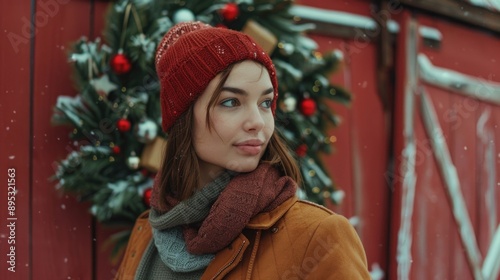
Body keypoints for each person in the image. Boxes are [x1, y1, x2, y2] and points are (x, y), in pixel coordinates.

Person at [115, 21, 370, 280]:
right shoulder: (147, 230)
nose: (258, 122)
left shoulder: (316, 235)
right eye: (231, 102)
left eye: (265, 103)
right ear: (183, 117)